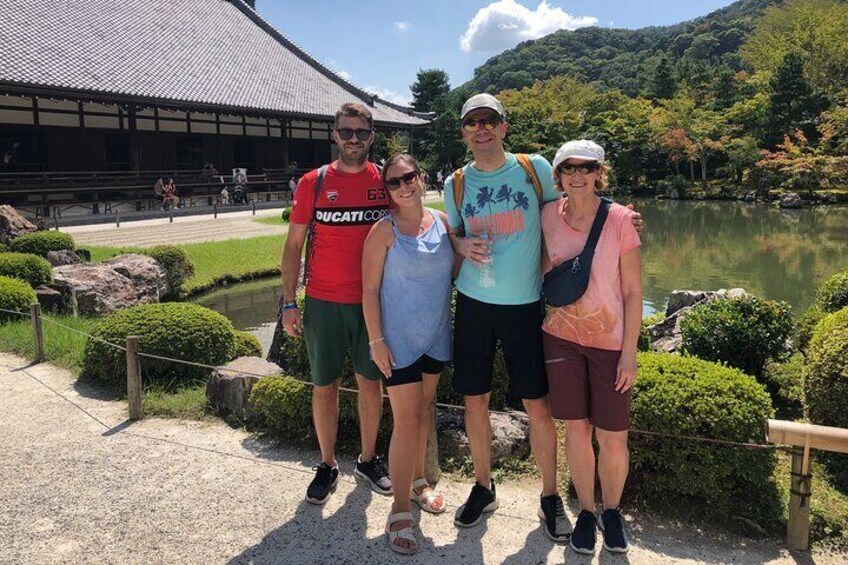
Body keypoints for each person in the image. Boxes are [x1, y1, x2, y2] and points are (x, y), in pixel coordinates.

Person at [445, 93, 643, 541]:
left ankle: (550, 496)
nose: (481, 128)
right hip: (474, 301)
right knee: (473, 400)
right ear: (464, 131)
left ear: (503, 126)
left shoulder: (533, 168)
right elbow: (453, 233)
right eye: (472, 121)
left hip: (526, 304)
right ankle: (482, 485)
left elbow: (580, 201)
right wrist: (458, 245)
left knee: (538, 406)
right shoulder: (456, 183)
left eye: (489, 120)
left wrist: (625, 219)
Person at [280, 103, 392, 505]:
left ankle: (367, 458)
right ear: (334, 134)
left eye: (361, 133)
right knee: (324, 385)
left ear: (372, 137)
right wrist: (288, 302)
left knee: (370, 382)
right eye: (346, 132)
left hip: (373, 301)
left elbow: (411, 226)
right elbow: (293, 245)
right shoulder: (314, 182)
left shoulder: (385, 180)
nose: (353, 140)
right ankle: (327, 464)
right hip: (325, 300)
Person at [542, 140, 641, 555]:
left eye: (587, 168)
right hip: (561, 337)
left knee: (613, 434)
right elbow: (545, 269)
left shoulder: (620, 220)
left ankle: (612, 511)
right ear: (559, 175)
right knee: (577, 430)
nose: (577, 175)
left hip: (609, 342)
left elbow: (634, 292)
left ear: (600, 172)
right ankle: (585, 511)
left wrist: (630, 352)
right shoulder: (549, 214)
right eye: (569, 168)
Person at [362, 153, 453, 554]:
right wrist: (376, 340)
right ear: (388, 190)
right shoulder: (383, 231)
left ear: (421, 177)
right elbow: (368, 290)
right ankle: (399, 510)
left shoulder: (443, 222)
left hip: (435, 333)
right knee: (407, 419)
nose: (403, 186)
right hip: (396, 339)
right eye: (394, 182)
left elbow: (461, 262)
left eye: (409, 177)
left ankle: (418, 482)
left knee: (425, 408)